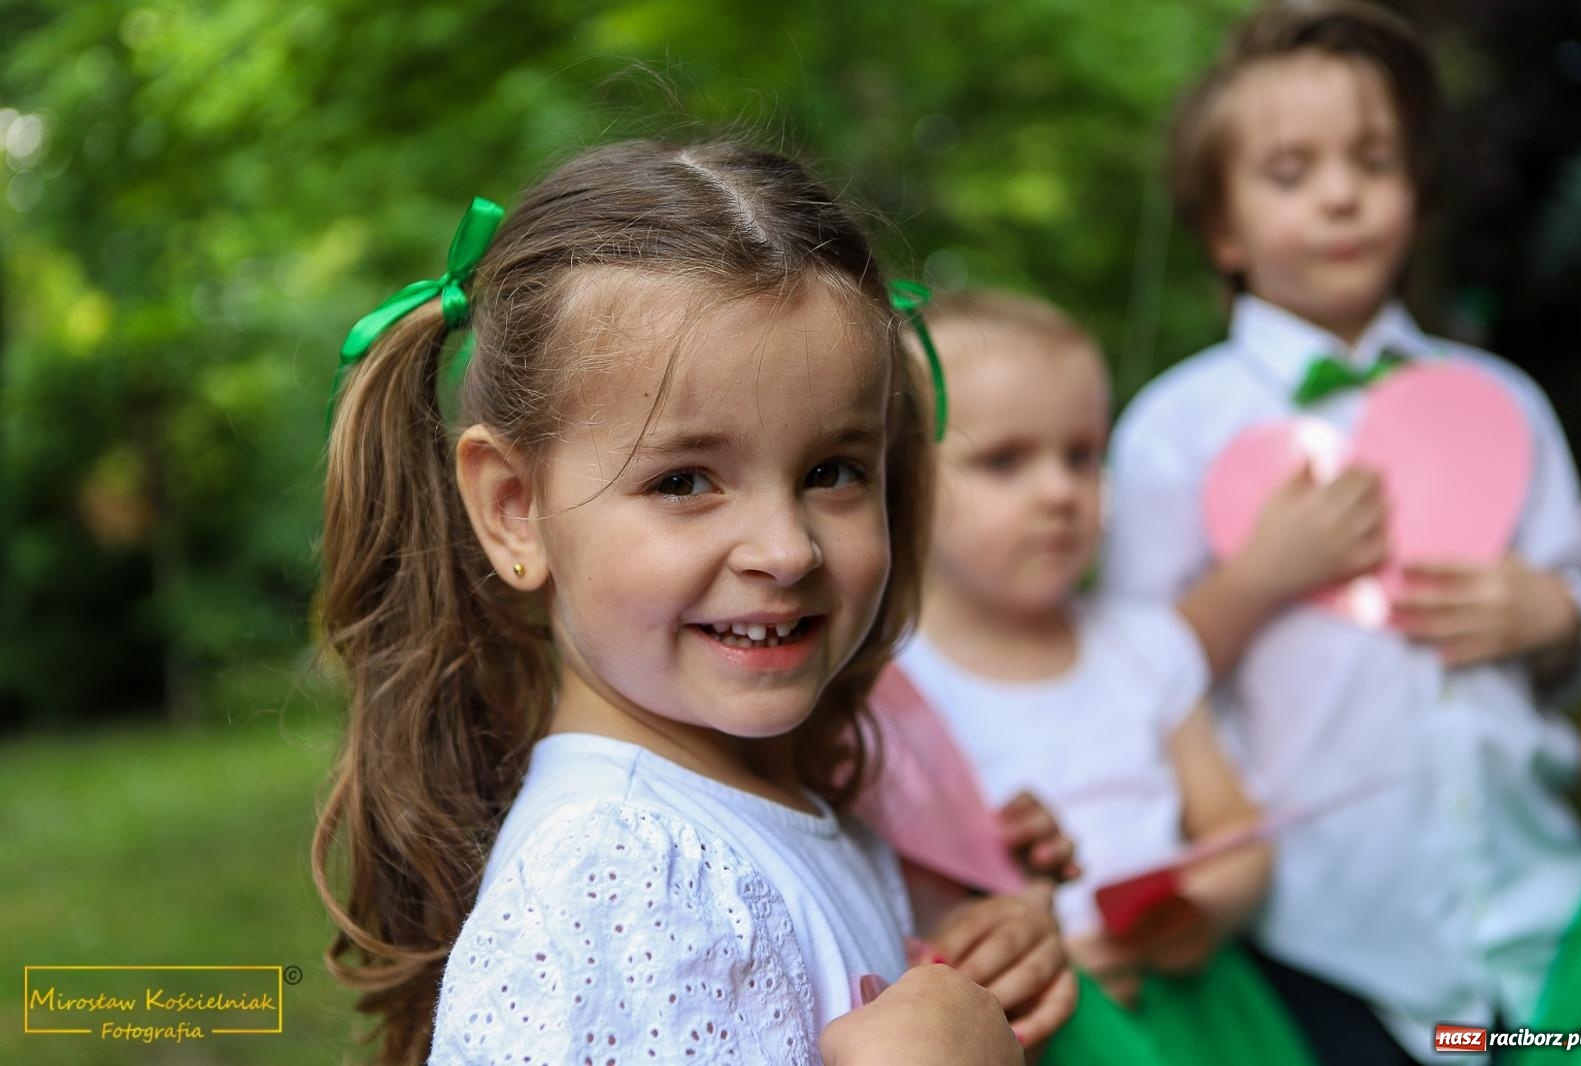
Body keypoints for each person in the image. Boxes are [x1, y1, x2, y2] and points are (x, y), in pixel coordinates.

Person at [312, 138, 1068, 1066]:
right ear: (515, 511)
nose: (786, 549)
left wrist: (982, 952)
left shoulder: (763, 801)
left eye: (832, 471)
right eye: (683, 482)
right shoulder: (611, 876)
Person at [1102, 4, 1581, 1062]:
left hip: (1539, 921)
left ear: (1413, 192)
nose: (1339, 193)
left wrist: (1554, 616)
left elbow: (1577, 667)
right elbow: (1126, 683)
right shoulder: (1172, 432)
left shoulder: (1501, 403)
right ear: (1222, 228)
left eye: (1371, 161)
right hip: (1326, 943)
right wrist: (1256, 581)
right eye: (1290, 172)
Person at [868, 288, 1314, 1066]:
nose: (1059, 492)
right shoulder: (892, 682)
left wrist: (1196, 915)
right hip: (1032, 1029)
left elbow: (1235, 838)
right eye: (1004, 460)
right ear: (906, 481)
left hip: (1189, 1012)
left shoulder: (1146, 648)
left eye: (1081, 455)